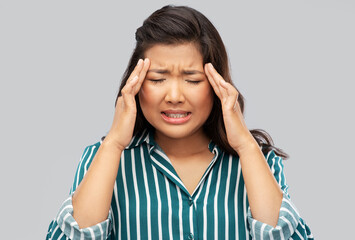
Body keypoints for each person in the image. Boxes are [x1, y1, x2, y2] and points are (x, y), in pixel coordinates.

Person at [46, 5, 313, 240]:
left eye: (193, 80)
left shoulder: (260, 161)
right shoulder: (101, 158)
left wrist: (245, 145)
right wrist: (115, 142)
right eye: (158, 79)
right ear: (135, 84)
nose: (174, 97)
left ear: (218, 84)